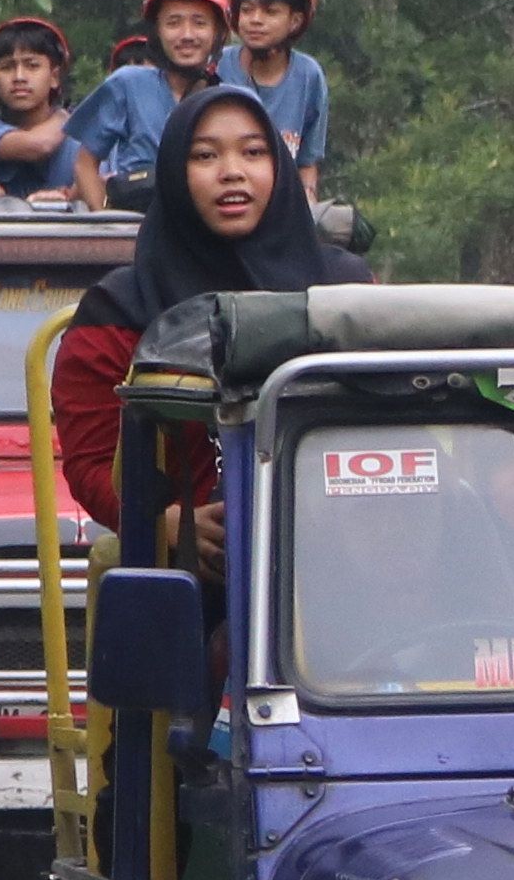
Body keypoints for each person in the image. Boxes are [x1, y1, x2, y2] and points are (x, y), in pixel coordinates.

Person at [48, 87, 344, 556]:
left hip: (339, 554)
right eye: (205, 155)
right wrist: (157, 520)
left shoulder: (343, 292)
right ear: (173, 173)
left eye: (253, 152)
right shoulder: (119, 311)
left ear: (280, 168)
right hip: (192, 576)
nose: (232, 172)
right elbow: (92, 461)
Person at [63, 0, 236, 197]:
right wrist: (107, 221)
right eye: (173, 23)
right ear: (156, 32)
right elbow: (85, 165)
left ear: (218, 34)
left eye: (199, 23)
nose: (187, 35)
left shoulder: (235, 100)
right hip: (135, 223)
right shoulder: (127, 85)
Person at [216, 0, 334, 198]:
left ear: (295, 21)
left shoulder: (308, 75)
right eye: (247, 10)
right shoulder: (216, 65)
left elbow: (307, 161)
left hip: (280, 201)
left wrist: (307, 202)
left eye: (271, 12)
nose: (255, 20)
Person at [0, 15, 93, 202]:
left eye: (32, 66)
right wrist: (65, 116)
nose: (19, 77)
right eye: (7, 67)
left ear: (54, 77)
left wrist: (69, 197)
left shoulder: (86, 137)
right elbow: (39, 145)